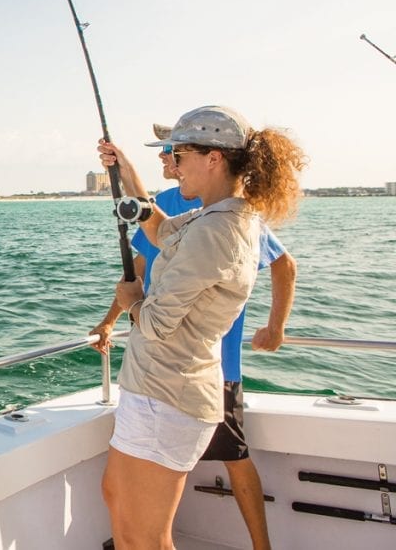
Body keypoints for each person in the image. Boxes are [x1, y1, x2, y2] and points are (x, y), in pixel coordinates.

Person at [92, 105, 306, 549]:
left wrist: (131, 302)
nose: (172, 162)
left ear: (213, 158)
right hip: (156, 390)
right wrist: (127, 169)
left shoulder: (217, 230)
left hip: (167, 396)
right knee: (116, 497)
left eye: (180, 153)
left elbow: (156, 322)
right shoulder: (219, 216)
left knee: (143, 537)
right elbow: (159, 229)